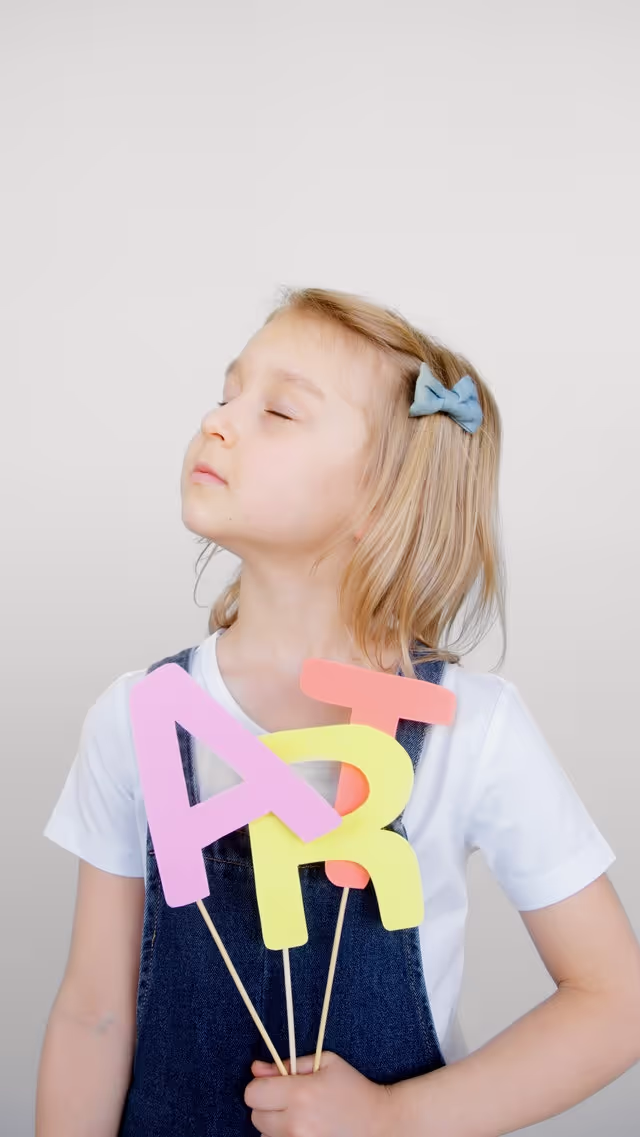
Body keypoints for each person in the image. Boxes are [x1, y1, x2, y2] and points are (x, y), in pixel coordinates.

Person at [36, 287, 640, 1137]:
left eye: (278, 410)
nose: (220, 421)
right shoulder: (134, 718)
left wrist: (397, 1117)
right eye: (225, 393)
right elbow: (94, 1012)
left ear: (381, 502)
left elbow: (615, 1002)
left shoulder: (474, 727)